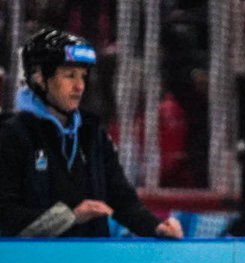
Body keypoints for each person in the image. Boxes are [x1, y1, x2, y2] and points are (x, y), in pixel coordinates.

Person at [0, 28, 182, 239]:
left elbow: (122, 199)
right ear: (40, 79)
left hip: (92, 261)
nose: (79, 86)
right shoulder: (11, 135)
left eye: (83, 77)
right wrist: (70, 217)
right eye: (69, 76)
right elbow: (5, 216)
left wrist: (156, 227)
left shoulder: (91, 134)